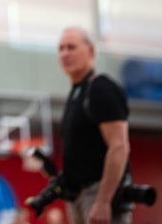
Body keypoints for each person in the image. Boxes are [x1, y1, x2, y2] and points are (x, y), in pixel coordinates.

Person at [55, 27, 131, 224]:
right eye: (61, 48)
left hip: (98, 192)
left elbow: (119, 146)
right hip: (78, 196)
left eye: (71, 47)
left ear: (91, 51)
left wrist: (104, 201)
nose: (65, 54)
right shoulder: (76, 94)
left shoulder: (101, 88)